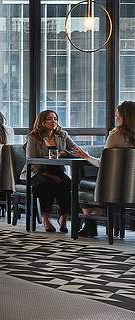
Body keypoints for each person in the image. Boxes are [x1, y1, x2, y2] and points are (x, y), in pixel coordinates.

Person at [70, 101, 135, 237]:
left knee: (83, 183)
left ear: (124, 116)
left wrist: (86, 156)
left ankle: (90, 222)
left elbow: (103, 163)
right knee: (98, 184)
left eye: (117, 115)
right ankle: (90, 223)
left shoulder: (116, 134)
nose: (116, 118)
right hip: (132, 187)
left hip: (114, 187)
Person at [24, 110, 75, 233]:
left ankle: (63, 217)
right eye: (49, 119)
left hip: (57, 170)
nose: (53, 121)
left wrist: (65, 152)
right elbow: (31, 160)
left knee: (67, 182)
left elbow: (76, 150)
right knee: (46, 184)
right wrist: (51, 176)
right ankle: (46, 218)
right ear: (42, 122)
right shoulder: (33, 137)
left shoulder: (63, 135)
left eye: (55, 119)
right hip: (37, 171)